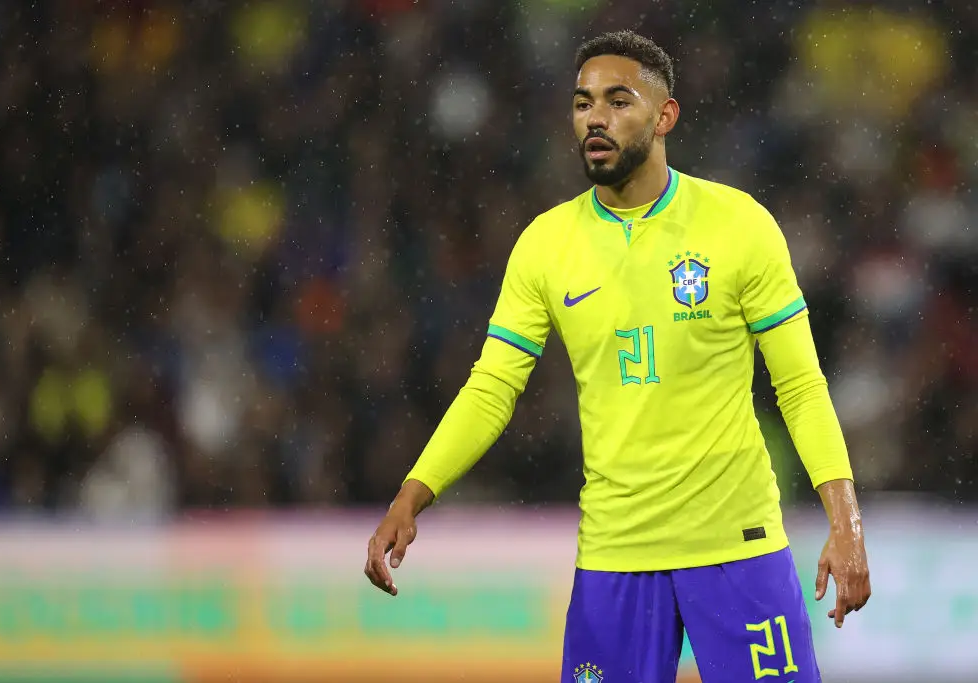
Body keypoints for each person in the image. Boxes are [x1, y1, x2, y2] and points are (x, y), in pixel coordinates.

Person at [364, 30, 871, 683]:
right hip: (614, 554)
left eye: (617, 101)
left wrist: (845, 521)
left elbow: (800, 384)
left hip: (738, 548)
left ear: (665, 117)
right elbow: (492, 386)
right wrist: (412, 495)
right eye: (582, 104)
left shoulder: (738, 226)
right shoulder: (546, 245)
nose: (594, 118)